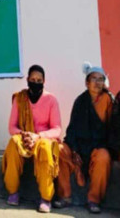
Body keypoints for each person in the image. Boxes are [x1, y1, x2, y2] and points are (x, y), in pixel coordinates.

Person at [54, 63, 113, 214]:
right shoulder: (80, 101)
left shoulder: (108, 100)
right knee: (59, 149)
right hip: (79, 146)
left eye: (101, 79)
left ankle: (94, 200)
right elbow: (72, 129)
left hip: (97, 147)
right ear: (87, 82)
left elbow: (111, 128)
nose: (98, 82)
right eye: (94, 79)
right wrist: (73, 150)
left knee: (104, 157)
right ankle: (64, 196)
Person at [1, 65, 61, 213]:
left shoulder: (51, 100)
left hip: (42, 139)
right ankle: (13, 192)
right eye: (33, 79)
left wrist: (38, 136)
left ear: (44, 81)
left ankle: (46, 198)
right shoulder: (20, 99)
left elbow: (57, 129)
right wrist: (25, 135)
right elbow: (12, 127)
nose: (35, 82)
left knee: (45, 148)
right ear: (27, 80)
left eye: (39, 80)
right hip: (24, 137)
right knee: (13, 142)